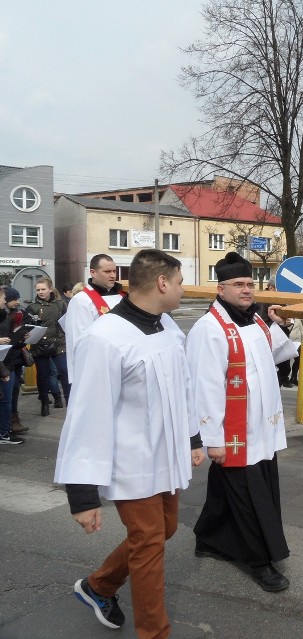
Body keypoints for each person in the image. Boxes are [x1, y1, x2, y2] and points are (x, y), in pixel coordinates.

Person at [54, 249, 205, 638]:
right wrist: (83, 495)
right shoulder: (105, 338)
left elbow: (182, 387)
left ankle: (99, 586)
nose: (183, 289)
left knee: (165, 529)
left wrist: (192, 437)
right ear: (162, 283)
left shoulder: (167, 326)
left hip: (165, 455)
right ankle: (154, 632)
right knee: (149, 540)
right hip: (131, 461)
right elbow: (87, 415)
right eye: (180, 281)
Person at [187, 252, 298, 593]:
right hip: (235, 433)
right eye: (238, 285)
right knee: (250, 496)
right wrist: (212, 438)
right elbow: (202, 386)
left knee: (228, 489)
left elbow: (272, 356)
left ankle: (208, 538)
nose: (247, 290)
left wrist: (281, 326)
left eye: (250, 284)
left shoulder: (254, 320)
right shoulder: (209, 328)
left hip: (261, 425)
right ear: (220, 289)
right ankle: (259, 561)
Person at [62, 254, 124, 384]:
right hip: (98, 370)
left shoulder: (121, 296)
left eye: (114, 271)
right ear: (93, 272)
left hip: (122, 366)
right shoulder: (81, 301)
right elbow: (78, 341)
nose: (113, 275)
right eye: (107, 272)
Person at [24, 277, 71, 415]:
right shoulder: (32, 307)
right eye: (38, 290)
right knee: (43, 375)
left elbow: (66, 322)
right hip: (40, 345)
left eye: (43, 289)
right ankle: (44, 403)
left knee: (64, 372)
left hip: (58, 343)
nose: (40, 292)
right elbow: (27, 327)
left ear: (50, 289)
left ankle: (69, 401)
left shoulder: (60, 304)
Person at [0, 287, 28, 436]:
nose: (5, 301)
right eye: (4, 298)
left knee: (10, 394)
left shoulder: (15, 314)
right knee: (5, 397)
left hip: (12, 359)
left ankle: (8, 426)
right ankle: (5, 430)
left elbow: (11, 341)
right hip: (5, 362)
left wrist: (22, 339)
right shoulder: (5, 317)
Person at [278, 314, 303, 388]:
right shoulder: (284, 319)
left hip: (298, 343)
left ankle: (293, 377)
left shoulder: (297, 319)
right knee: (286, 364)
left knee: (298, 361)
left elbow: (301, 330)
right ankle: (285, 380)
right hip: (288, 343)